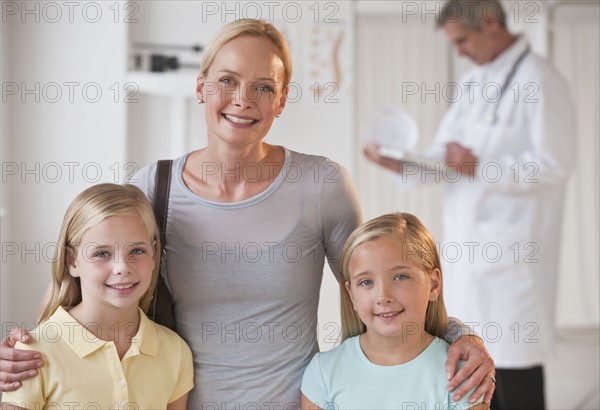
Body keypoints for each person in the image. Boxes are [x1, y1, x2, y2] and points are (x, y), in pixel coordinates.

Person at [1, 19, 495, 408]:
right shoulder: (155, 185)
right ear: (201, 87)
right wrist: (32, 348)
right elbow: (104, 282)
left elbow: (377, 287)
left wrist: (460, 334)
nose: (243, 99)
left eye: (263, 86)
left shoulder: (321, 184)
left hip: (300, 402)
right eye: (227, 81)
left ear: (281, 100)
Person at [364, 1, 575, 409]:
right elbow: (448, 162)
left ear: (491, 22)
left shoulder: (541, 80)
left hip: (513, 261)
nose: (459, 51)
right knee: (476, 374)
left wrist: (484, 167)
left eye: (462, 40)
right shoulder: (473, 83)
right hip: (471, 258)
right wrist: (398, 160)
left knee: (514, 374)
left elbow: (555, 166)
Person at [0, 183, 194, 409]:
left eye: (137, 251)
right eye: (101, 253)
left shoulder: (175, 352)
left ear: (153, 255)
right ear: (72, 261)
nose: (122, 267)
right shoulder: (32, 354)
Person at [301, 213, 487, 410]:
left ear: (433, 284)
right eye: (366, 282)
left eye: (400, 277)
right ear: (351, 295)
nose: (383, 296)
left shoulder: (462, 374)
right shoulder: (323, 372)